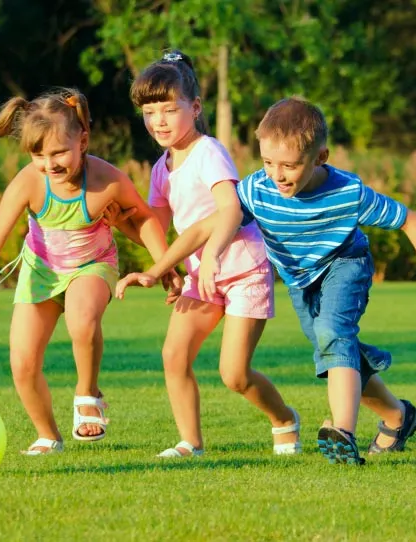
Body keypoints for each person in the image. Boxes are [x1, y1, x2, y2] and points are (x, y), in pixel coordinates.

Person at [117, 96, 416, 465]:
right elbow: (208, 225)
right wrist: (158, 269)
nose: (278, 175)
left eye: (289, 165)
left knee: (333, 333)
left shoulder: (348, 193)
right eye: (268, 163)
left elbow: (410, 219)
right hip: (300, 280)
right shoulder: (259, 189)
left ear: (320, 157)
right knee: (336, 350)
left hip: (345, 264)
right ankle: (397, 415)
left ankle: (342, 433)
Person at [0, 88, 173, 455]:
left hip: (93, 266)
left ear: (83, 140)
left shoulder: (105, 180)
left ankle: (87, 391)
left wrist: (164, 266)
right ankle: (48, 434)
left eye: (59, 152)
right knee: (23, 363)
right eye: (38, 155)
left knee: (82, 320)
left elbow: (143, 219)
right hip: (41, 272)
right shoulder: (30, 182)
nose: (50, 164)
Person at [117, 51, 301, 458]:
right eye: (150, 112)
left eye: (169, 109)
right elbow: (156, 229)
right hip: (202, 274)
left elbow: (231, 209)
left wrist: (212, 255)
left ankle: (284, 418)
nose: (159, 121)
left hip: (242, 268)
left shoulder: (208, 151)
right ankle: (190, 442)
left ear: (195, 108)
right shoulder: (161, 168)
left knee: (234, 375)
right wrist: (118, 224)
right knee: (174, 354)